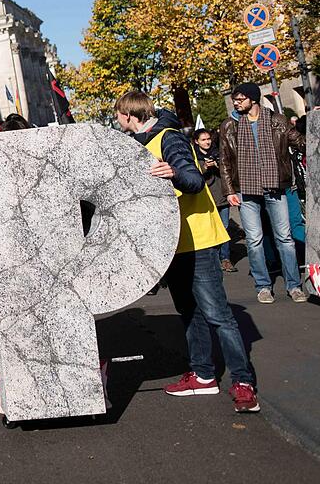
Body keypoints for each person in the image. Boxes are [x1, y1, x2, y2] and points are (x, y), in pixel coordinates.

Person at [115, 91, 258, 413]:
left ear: (128, 114)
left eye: (117, 115)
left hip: (198, 239)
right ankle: (204, 375)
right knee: (190, 312)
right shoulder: (143, 141)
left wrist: (175, 173)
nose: (116, 120)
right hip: (174, 243)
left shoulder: (168, 138)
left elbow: (194, 181)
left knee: (218, 315)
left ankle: (243, 382)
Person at [218, 83, 307, 304]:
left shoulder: (278, 121)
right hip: (246, 190)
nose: (236, 103)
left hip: (275, 186)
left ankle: (294, 286)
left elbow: (301, 142)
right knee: (254, 240)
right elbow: (225, 160)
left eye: (240, 99)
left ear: (253, 99)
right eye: (235, 100)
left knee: (284, 238)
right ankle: (263, 286)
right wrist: (229, 191)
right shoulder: (230, 125)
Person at [192, 129, 234, 272]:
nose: (207, 142)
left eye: (208, 139)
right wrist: (204, 167)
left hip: (222, 195)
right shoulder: (193, 157)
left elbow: (229, 170)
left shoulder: (219, 153)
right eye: (203, 140)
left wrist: (218, 165)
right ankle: (213, 259)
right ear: (197, 141)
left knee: (225, 227)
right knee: (210, 230)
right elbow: (192, 175)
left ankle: (225, 258)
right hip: (207, 198)